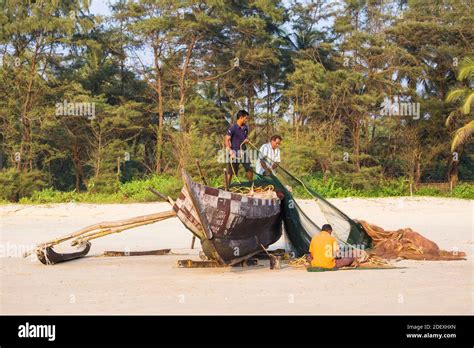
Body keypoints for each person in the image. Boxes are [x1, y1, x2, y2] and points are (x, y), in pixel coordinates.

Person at [224, 110, 253, 183]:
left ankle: (251, 186)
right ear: (241, 117)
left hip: (243, 152)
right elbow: (226, 140)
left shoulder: (245, 127)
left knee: (249, 169)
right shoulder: (233, 128)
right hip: (234, 152)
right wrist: (230, 151)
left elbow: (244, 138)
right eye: (245, 118)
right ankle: (226, 188)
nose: (246, 120)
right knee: (230, 172)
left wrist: (246, 140)